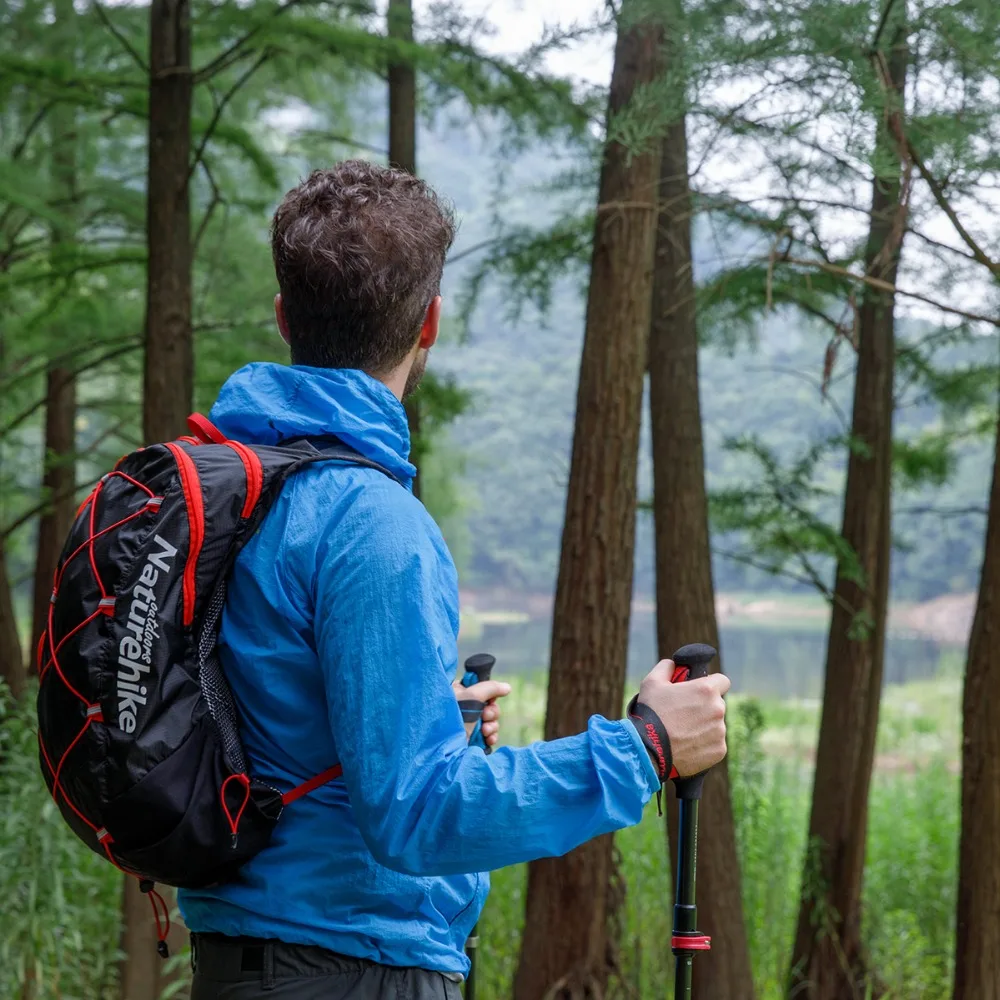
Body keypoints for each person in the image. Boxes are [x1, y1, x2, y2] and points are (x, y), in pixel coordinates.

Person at [178, 160, 730, 999]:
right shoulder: (371, 521)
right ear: (429, 323)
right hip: (352, 967)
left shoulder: (241, 493)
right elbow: (417, 815)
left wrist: (433, 719)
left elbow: (275, 720)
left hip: (240, 959)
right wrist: (646, 747)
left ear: (285, 316)